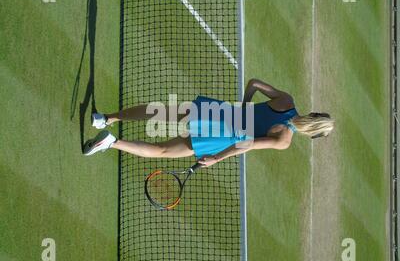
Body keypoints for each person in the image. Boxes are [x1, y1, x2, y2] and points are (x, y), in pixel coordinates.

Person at [83, 79, 334, 167]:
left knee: (159, 112)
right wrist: (216, 158)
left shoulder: (286, 100)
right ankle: (112, 143)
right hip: (223, 136)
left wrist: (245, 104)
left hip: (224, 112)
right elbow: (245, 144)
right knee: (162, 150)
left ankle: (106, 118)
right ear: (312, 135)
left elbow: (254, 83)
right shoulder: (284, 140)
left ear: (313, 114)